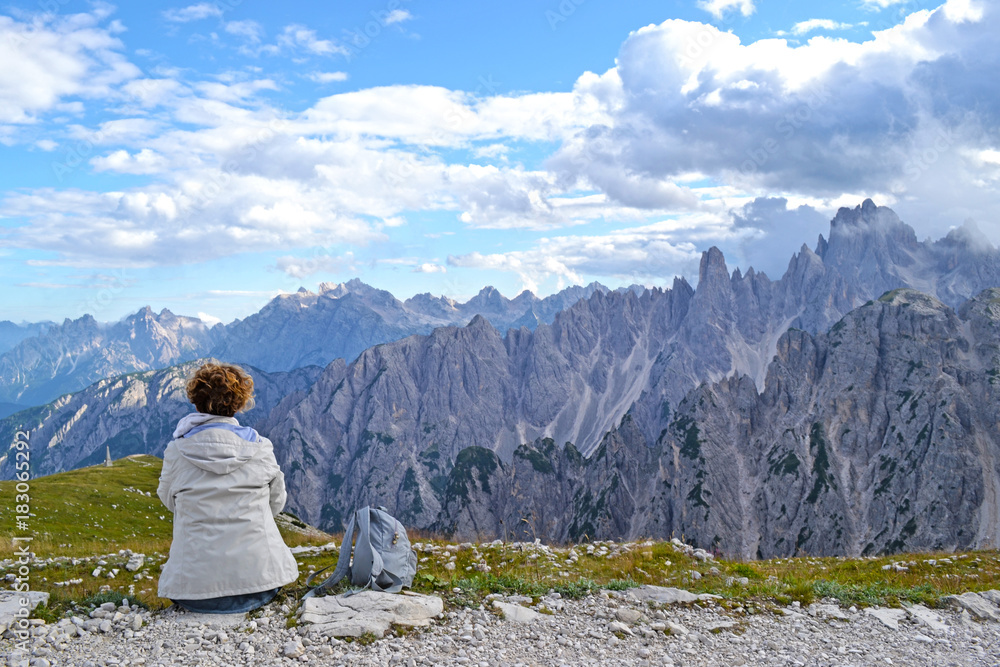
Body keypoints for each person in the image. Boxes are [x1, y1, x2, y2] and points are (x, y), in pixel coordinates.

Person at [157, 362, 298, 613]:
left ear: (196, 401)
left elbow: (169, 500)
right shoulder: (261, 448)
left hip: (191, 591)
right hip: (261, 584)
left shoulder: (176, 451)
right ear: (239, 403)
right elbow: (277, 503)